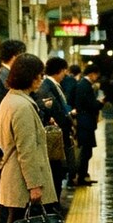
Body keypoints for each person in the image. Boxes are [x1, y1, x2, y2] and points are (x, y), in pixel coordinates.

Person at [0, 53, 55, 223]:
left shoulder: (11, 100)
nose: (41, 79)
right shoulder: (21, 106)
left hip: (13, 176)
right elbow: (26, 150)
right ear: (29, 76)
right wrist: (34, 185)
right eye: (39, 75)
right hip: (20, 179)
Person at [38, 55, 75, 200]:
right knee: (56, 171)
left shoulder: (53, 85)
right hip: (55, 137)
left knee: (60, 170)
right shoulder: (47, 87)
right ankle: (54, 203)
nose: (65, 74)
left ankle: (55, 202)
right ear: (60, 70)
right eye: (65, 70)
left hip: (61, 135)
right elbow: (54, 111)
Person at [72, 63, 102, 185]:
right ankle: (81, 177)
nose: (97, 77)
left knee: (86, 151)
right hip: (86, 122)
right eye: (96, 75)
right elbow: (90, 105)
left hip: (85, 122)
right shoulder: (85, 85)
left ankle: (83, 175)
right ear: (92, 74)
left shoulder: (83, 84)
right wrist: (100, 103)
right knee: (86, 151)